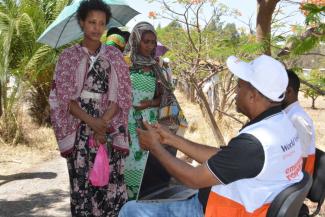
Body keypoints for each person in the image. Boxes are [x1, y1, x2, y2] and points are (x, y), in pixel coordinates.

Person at [119, 55, 303, 217]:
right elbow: (225, 158)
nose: (235, 94)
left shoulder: (254, 144)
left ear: (253, 96)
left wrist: (155, 148)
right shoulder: (282, 125)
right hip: (241, 207)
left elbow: (193, 179)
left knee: (130, 211)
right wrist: (170, 139)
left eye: (239, 87)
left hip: (213, 212)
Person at [49, 0, 131, 216]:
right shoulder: (67, 58)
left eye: (101, 23)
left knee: (109, 182)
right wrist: (92, 122)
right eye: (91, 22)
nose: (96, 27)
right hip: (80, 129)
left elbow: (122, 95)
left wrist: (103, 124)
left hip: (109, 127)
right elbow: (64, 98)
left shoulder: (115, 57)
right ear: (82, 23)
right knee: (83, 181)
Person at [123, 21, 179, 200]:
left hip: (150, 123)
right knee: (129, 164)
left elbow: (165, 96)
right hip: (127, 123)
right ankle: (128, 205)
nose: (150, 46)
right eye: (146, 41)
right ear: (136, 40)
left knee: (150, 164)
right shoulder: (124, 65)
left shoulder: (157, 67)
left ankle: (145, 204)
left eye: (153, 42)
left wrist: (150, 104)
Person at [283, 69, 316, 175]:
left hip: (297, 185)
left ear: (289, 91)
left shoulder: (298, 118)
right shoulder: (288, 114)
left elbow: (301, 162)